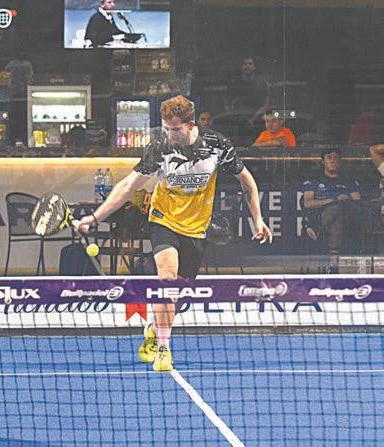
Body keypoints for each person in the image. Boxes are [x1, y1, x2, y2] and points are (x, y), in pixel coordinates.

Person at [75, 95, 272, 372]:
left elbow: (246, 179)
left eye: (175, 129)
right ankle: (164, 348)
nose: (169, 134)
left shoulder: (216, 145)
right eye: (166, 128)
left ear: (191, 124)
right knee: (166, 280)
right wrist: (96, 217)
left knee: (176, 293)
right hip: (163, 221)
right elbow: (129, 185)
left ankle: (154, 328)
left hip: (196, 228)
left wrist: (258, 219)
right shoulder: (160, 148)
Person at [302, 148, 361, 255]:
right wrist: (334, 200)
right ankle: (333, 260)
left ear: (340, 161)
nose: (332, 161)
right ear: (323, 161)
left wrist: (345, 199)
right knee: (336, 210)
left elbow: (357, 200)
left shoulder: (349, 180)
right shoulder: (314, 180)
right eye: (329, 158)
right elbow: (307, 203)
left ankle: (316, 229)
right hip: (319, 215)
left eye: (335, 158)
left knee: (339, 212)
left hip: (346, 216)